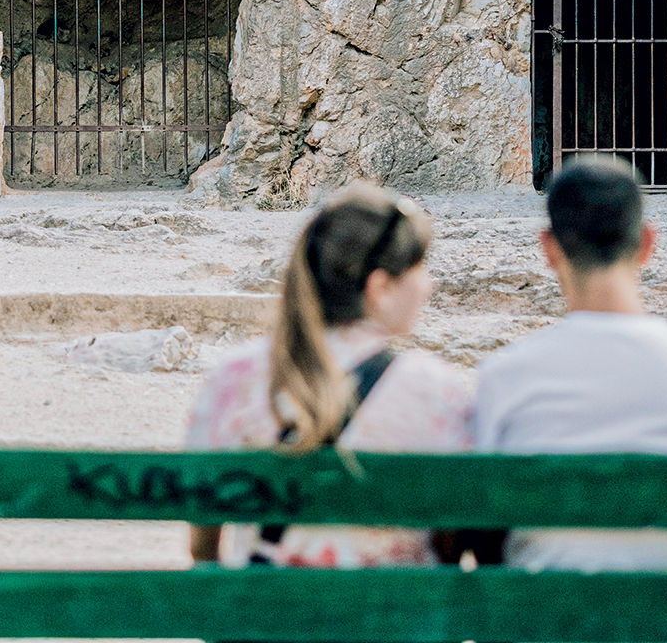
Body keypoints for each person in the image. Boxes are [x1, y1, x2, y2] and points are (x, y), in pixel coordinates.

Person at [471, 155, 667, 574]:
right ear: (646, 244)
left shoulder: (503, 377)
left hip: (548, 626)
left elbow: (485, 532)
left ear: (549, 249)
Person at [184, 182, 472, 568]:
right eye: (419, 268)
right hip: (393, 622)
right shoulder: (437, 391)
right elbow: (453, 544)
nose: (428, 284)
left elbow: (203, 544)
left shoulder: (233, 379)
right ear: (380, 287)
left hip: (268, 622)